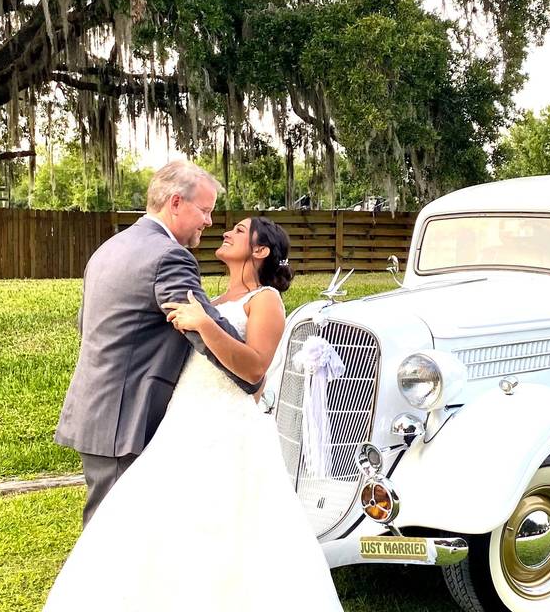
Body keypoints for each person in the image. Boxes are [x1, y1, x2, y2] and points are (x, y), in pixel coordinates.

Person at [43, 215, 343, 611]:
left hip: (228, 426)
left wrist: (204, 325)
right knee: (162, 523)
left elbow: (255, 369)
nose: (227, 230)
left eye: (240, 229)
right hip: (184, 418)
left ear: (260, 250)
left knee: (226, 527)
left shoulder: (265, 299)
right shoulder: (213, 300)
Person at [54, 160, 259, 527]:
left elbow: (86, 326)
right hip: (127, 417)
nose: (210, 222)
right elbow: (202, 326)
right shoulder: (169, 257)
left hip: (97, 409)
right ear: (176, 202)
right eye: (205, 210)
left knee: (120, 527)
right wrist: (252, 373)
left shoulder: (110, 248)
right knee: (114, 534)